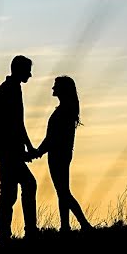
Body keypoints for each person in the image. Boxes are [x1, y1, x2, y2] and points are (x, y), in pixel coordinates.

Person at [0, 54, 39, 242]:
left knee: (10, 192)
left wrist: (27, 148)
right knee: (25, 185)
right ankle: (27, 232)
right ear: (19, 70)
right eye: (28, 71)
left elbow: (18, 123)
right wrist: (26, 150)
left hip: (6, 148)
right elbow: (15, 123)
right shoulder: (11, 90)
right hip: (7, 149)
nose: (31, 75)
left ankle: (6, 235)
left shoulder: (10, 88)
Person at [35, 76, 92, 232]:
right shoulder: (66, 109)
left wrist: (38, 151)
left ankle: (84, 224)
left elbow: (53, 138)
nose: (53, 89)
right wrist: (39, 151)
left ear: (62, 89)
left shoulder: (64, 111)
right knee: (62, 191)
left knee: (63, 192)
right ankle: (66, 226)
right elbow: (51, 138)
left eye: (55, 86)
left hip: (58, 155)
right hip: (61, 154)